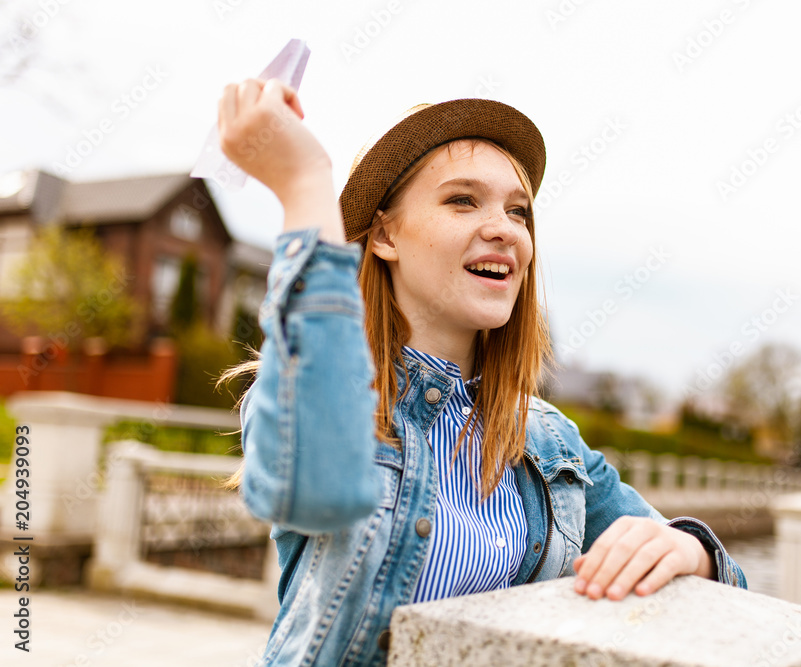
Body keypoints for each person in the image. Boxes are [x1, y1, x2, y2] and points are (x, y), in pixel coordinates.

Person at [215, 77, 747, 666]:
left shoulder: (548, 441)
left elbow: (732, 590)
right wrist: (305, 183)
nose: (505, 228)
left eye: (518, 212)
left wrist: (687, 548)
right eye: (462, 200)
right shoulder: (322, 396)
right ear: (387, 234)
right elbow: (316, 488)